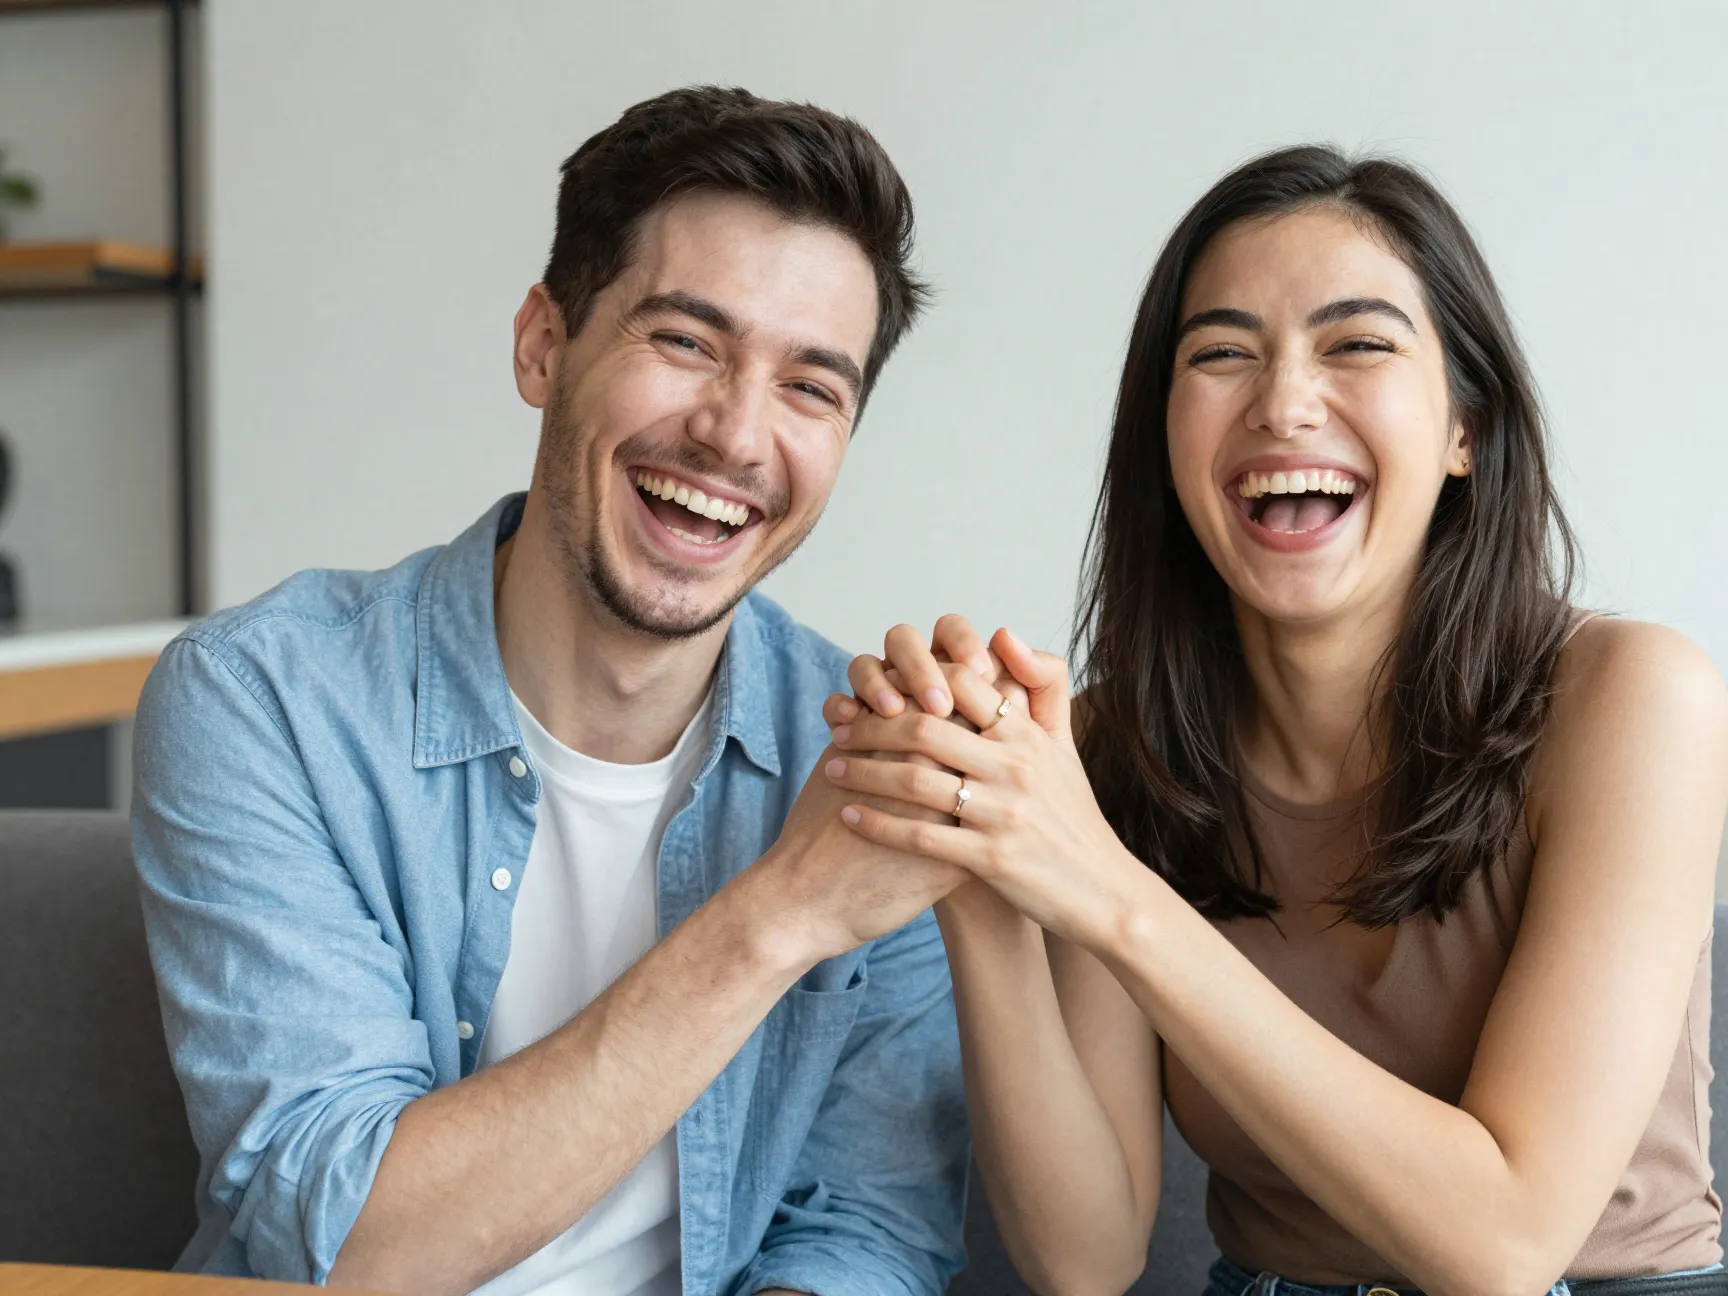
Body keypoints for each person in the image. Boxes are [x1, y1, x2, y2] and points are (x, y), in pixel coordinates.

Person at [820, 146, 1728, 1296]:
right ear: (1165, 435)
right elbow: (1086, 1260)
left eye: (1357, 344)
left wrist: (1105, 889)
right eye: (1220, 355)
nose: (1283, 402)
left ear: (1465, 427)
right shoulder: (1106, 750)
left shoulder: (1636, 698)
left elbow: (1503, 1243)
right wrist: (983, 870)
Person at [132, 86, 971, 1296]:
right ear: (544, 344)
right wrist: (781, 914)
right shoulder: (265, 702)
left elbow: (867, 1231)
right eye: (685, 340)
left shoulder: (864, 749)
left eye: (810, 387)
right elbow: (351, 1241)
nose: (737, 436)